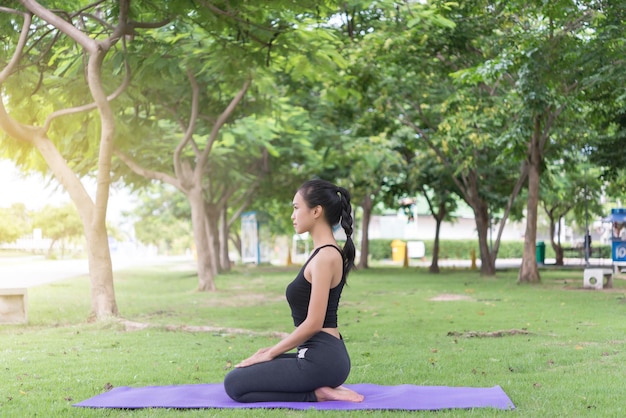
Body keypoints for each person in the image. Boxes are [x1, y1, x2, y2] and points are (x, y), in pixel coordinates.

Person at [223, 179, 364, 403]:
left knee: (234, 385)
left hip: (321, 359)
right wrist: (270, 350)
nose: (293, 215)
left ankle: (318, 394)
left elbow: (314, 323)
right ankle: (320, 389)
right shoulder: (322, 253)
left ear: (316, 211)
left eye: (296, 208)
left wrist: (271, 353)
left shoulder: (326, 256)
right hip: (317, 354)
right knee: (240, 375)